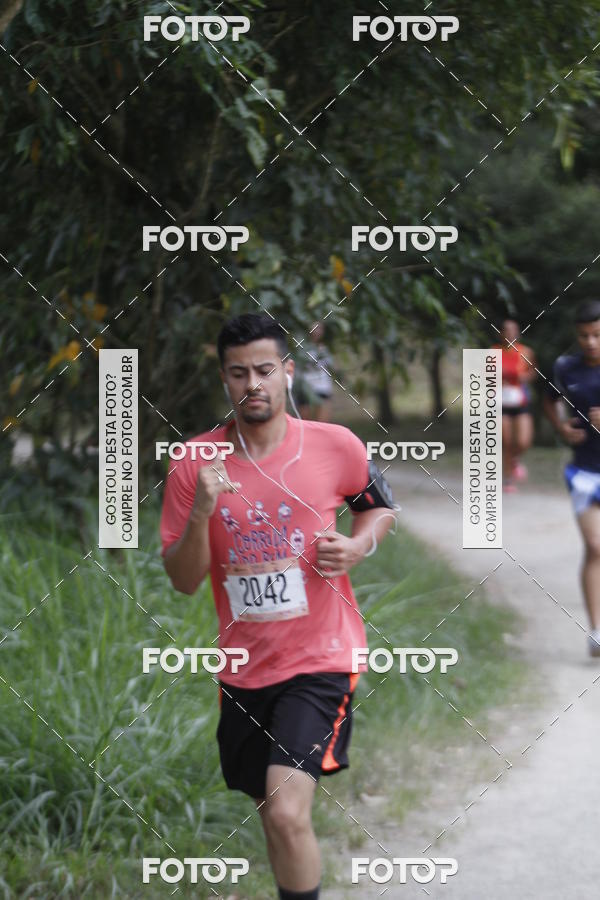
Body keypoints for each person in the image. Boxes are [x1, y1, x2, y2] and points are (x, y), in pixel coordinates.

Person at [160, 313, 396, 899]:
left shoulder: (333, 444)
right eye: (238, 374)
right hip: (244, 667)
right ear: (224, 380)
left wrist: (358, 545)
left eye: (265, 370)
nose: (253, 385)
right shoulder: (194, 463)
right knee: (272, 813)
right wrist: (201, 513)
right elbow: (184, 580)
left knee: (288, 812)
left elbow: (377, 508)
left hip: (322, 656)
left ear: (288, 372)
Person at [543, 300, 600, 657]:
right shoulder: (566, 367)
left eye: (597, 335)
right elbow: (550, 400)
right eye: (584, 335)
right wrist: (561, 427)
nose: (591, 342)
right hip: (583, 472)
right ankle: (596, 631)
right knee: (596, 547)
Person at [494, 318, 537, 492]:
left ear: (517, 333)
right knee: (506, 441)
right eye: (506, 330)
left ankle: (515, 461)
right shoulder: (493, 351)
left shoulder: (526, 351)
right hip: (501, 402)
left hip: (520, 401)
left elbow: (533, 371)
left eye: (513, 330)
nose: (510, 333)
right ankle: (508, 480)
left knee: (523, 441)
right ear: (501, 333)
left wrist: (525, 377)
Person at [296, 322, 335, 422]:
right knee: (305, 423)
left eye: (319, 328)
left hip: (322, 386)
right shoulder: (300, 347)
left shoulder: (326, 348)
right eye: (314, 328)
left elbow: (332, 366)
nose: (317, 331)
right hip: (305, 386)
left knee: (322, 424)